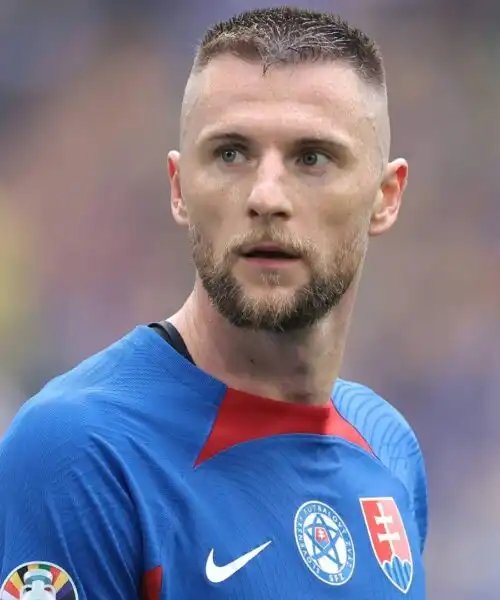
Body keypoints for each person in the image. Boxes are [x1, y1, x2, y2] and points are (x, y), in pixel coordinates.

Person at [0, 7, 427, 599]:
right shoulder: (80, 450)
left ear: (385, 196)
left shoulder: (389, 447)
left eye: (312, 157)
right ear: (179, 188)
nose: (266, 196)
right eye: (231, 153)